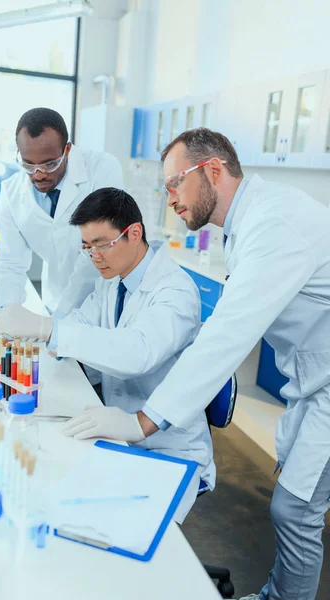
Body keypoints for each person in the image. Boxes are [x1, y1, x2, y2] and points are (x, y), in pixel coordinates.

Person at [41, 128, 330, 600]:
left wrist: (144, 421)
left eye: (175, 183)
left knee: (296, 512)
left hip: (324, 386)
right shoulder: (250, 222)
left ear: (212, 170)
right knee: (293, 504)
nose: (168, 197)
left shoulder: (275, 223)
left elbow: (226, 337)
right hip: (313, 380)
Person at [0, 187, 215, 523]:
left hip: (167, 448)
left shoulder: (175, 292)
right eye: (87, 246)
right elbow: (82, 321)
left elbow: (136, 353)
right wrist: (39, 334)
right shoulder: (113, 280)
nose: (94, 255)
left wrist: (48, 330)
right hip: (118, 428)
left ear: (134, 233)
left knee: (108, 529)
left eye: (101, 244)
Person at [0, 107, 123, 314]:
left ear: (67, 150)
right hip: (53, 298)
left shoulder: (102, 170)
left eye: (50, 164)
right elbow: (11, 262)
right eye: (28, 164)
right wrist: (9, 311)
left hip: (102, 300)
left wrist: (60, 321)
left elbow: (96, 253)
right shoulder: (11, 192)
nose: (39, 174)